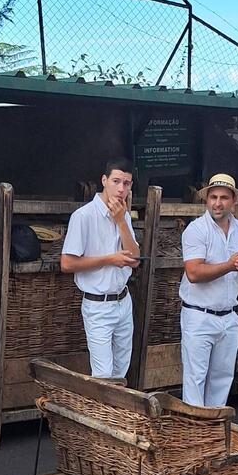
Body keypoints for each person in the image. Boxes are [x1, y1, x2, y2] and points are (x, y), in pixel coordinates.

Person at [179, 173, 238, 407]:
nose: (217, 202)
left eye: (224, 197)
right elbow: (193, 273)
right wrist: (230, 265)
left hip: (229, 315)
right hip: (198, 315)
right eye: (213, 197)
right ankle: (194, 437)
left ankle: (212, 435)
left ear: (234, 201)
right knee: (195, 379)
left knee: (222, 379)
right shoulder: (196, 230)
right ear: (206, 200)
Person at [59, 158, 139, 379]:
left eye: (127, 183)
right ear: (104, 180)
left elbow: (135, 258)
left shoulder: (123, 215)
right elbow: (67, 263)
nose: (121, 188)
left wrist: (122, 222)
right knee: (103, 374)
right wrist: (109, 259)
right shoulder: (84, 216)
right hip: (98, 304)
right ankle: (101, 413)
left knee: (121, 370)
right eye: (116, 181)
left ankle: (114, 414)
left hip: (123, 300)